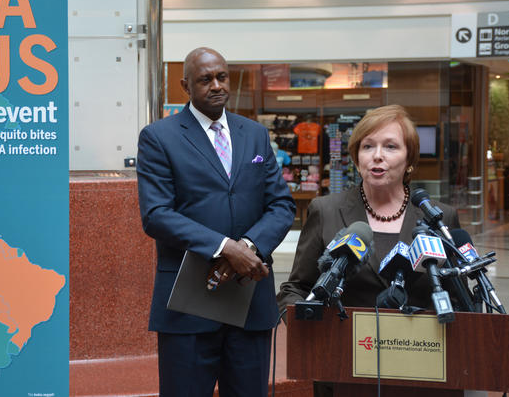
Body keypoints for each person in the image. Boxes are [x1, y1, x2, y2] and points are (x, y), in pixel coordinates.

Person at [137, 47, 295, 397]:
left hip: (249, 298)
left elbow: (281, 205)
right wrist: (225, 249)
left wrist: (248, 249)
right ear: (186, 86)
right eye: (205, 79)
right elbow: (156, 215)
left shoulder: (254, 134)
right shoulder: (159, 137)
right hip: (189, 303)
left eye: (221, 76)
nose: (216, 85)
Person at [277, 104, 460, 310]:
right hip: (342, 339)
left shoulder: (440, 218)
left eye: (391, 146)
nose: (377, 155)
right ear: (357, 158)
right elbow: (297, 289)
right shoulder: (325, 211)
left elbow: (458, 300)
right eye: (368, 146)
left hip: (420, 341)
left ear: (409, 159)